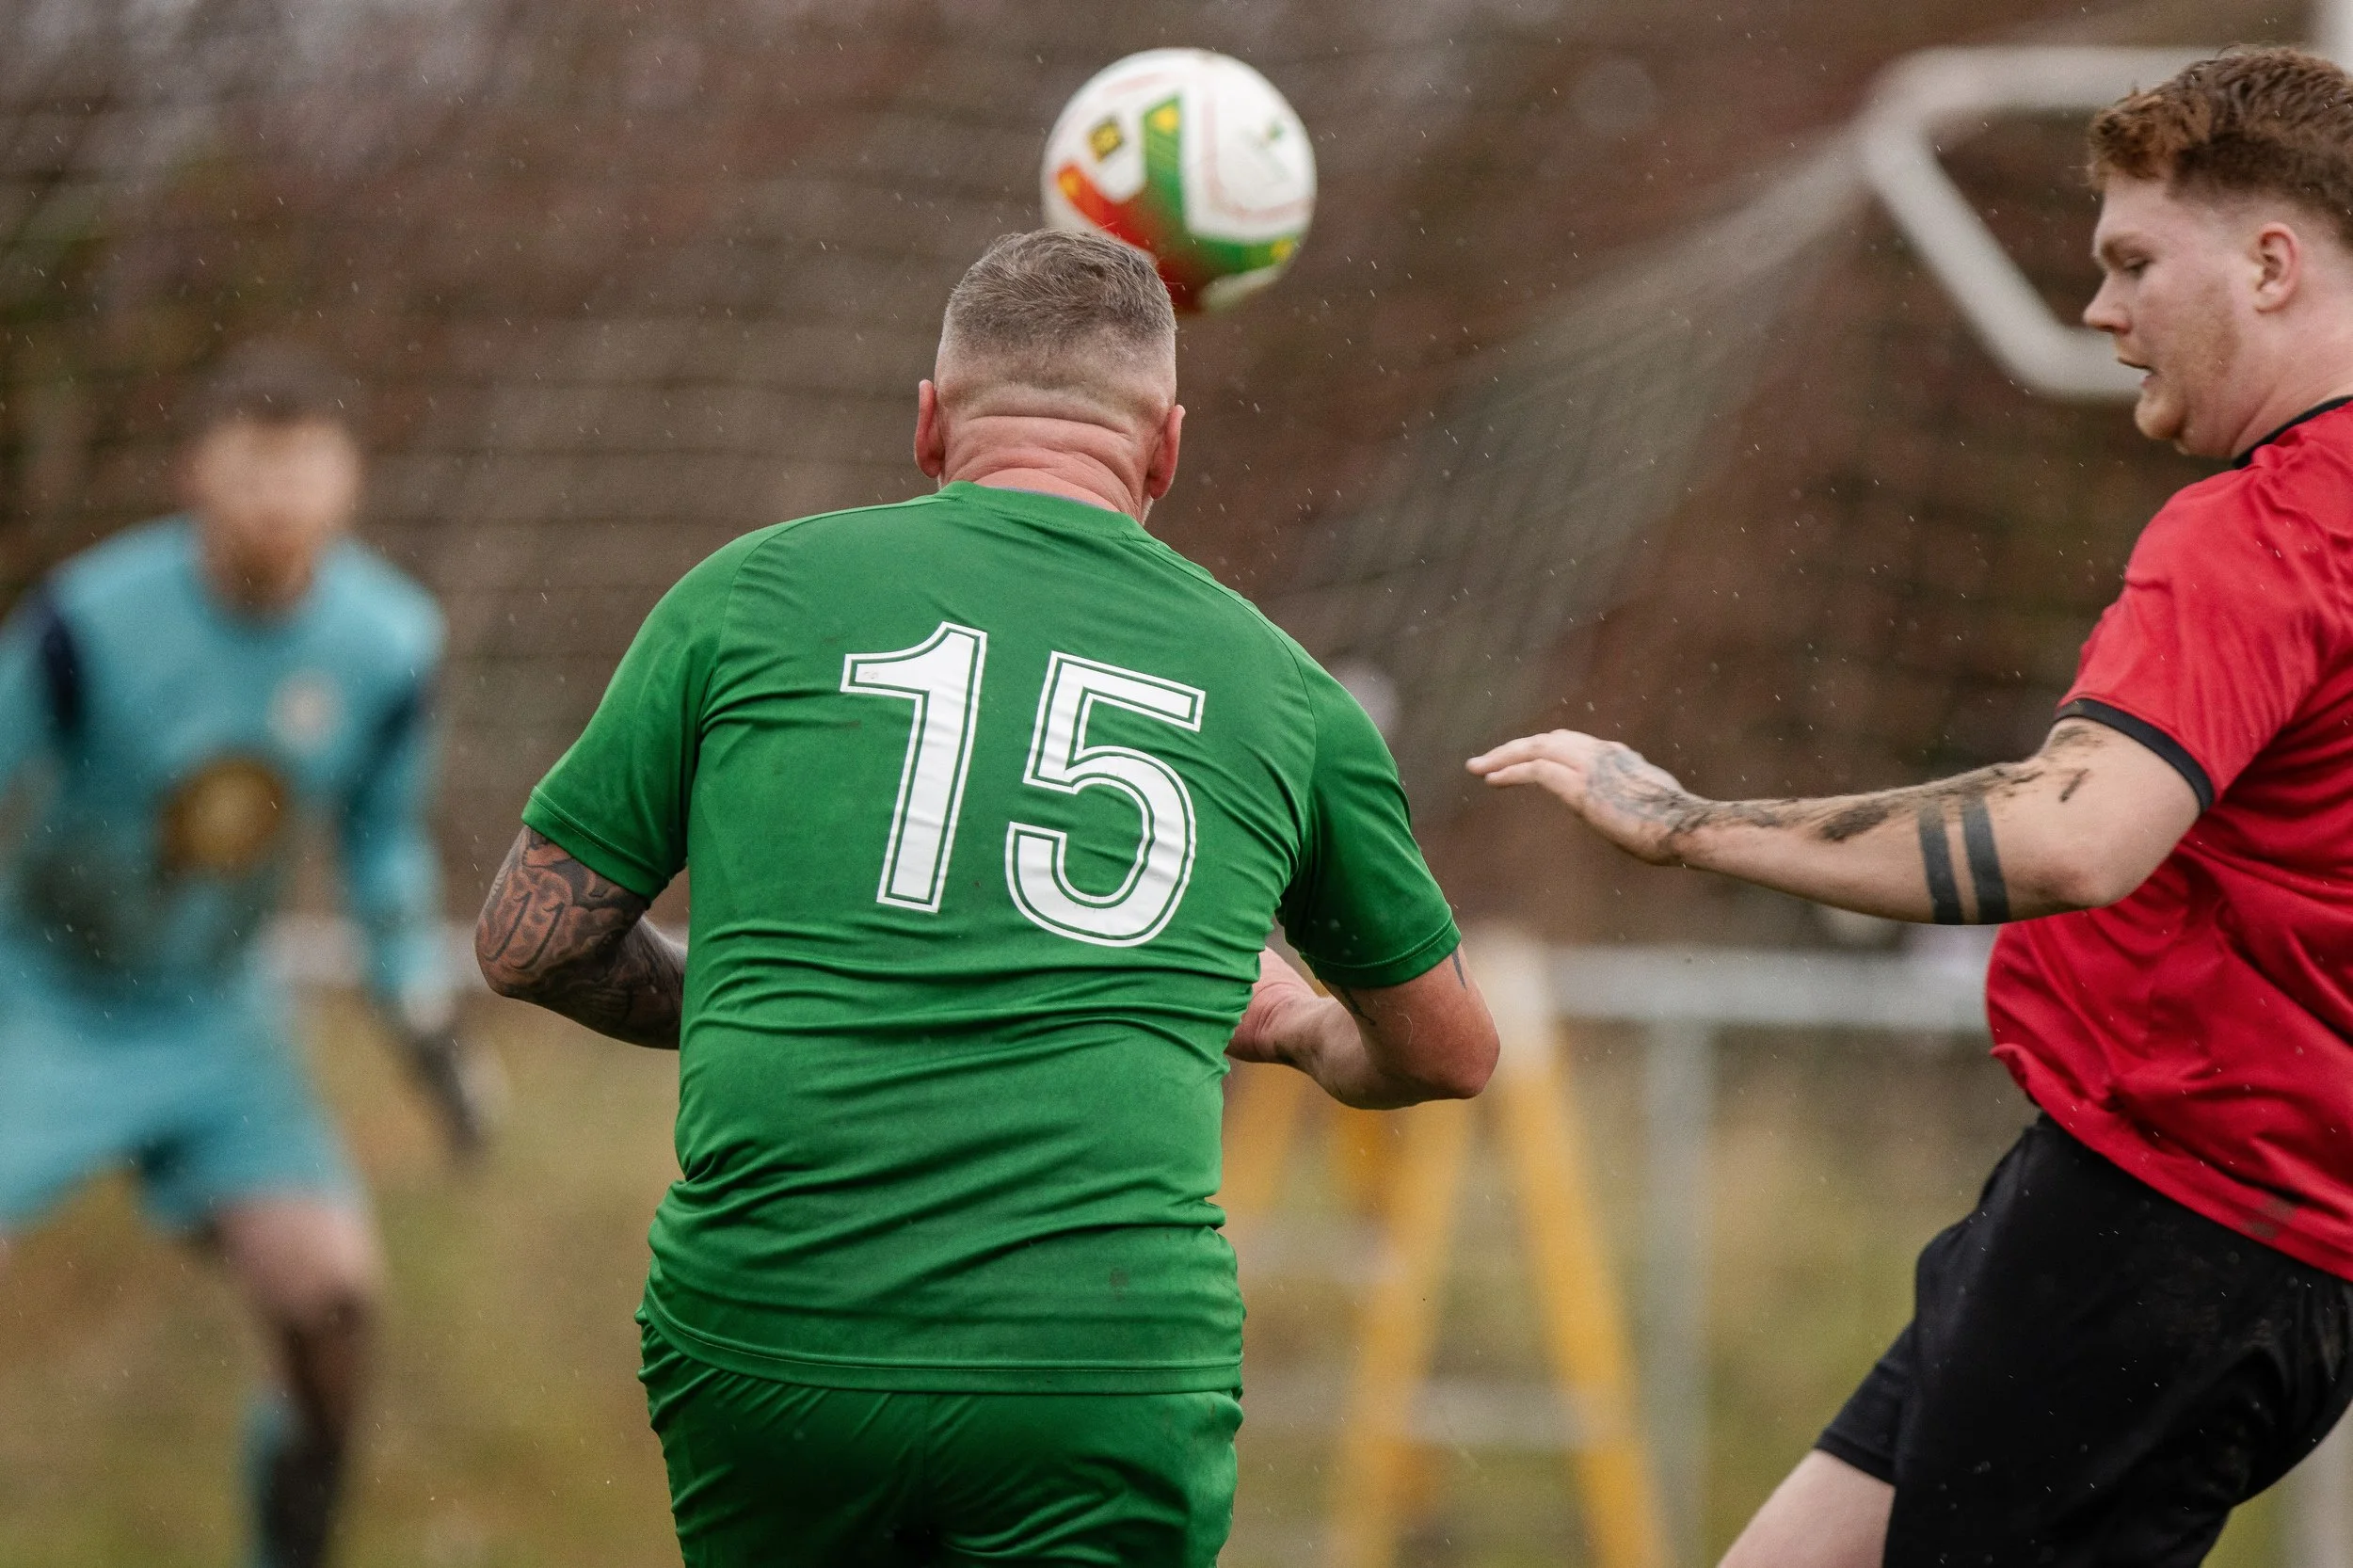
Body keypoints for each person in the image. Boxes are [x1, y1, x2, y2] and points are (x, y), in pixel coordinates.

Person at [474, 228, 1499, 1567]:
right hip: (1096, 1364)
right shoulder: (1289, 695)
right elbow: (1450, 1048)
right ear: (1166, 450)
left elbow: (522, 941)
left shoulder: (748, 594)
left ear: (927, 425)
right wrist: (1302, 1026)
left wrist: (760, 995)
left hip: (778, 1337)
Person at [1471, 46, 2353, 1566]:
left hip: (2159, 1235)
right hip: (2214, 1241)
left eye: (2136, 262)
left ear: (2274, 263)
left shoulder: (2262, 532)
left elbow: (2074, 832)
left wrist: (1689, 821)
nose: (2102, 313)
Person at [0, 341, 499, 1568]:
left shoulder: (388, 643)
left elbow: (384, 852)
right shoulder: (88, 618)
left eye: (303, 467)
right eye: (250, 465)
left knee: (331, 1305)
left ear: (351, 484)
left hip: (217, 1019)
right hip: (43, 998)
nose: (276, 496)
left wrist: (424, 1028)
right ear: (193, 476)